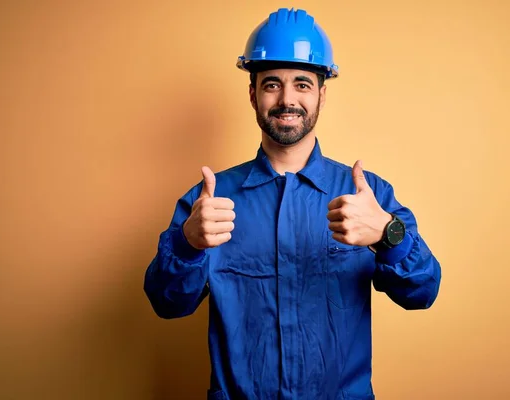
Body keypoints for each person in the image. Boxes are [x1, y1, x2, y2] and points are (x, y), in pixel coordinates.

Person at [144, 7, 441, 400]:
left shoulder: (367, 197)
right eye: (272, 85)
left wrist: (388, 234)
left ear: (321, 93)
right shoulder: (209, 202)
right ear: (252, 94)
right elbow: (167, 304)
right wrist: (187, 243)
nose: (287, 99)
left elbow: (422, 293)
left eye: (302, 84)